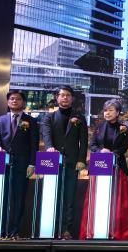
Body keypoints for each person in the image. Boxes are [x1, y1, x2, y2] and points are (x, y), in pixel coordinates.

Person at [80, 99, 128, 240]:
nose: (107, 113)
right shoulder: (99, 127)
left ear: (117, 112)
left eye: (110, 110)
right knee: (97, 200)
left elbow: (123, 148)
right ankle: (94, 231)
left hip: (117, 169)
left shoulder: (123, 128)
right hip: (99, 168)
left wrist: (111, 154)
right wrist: (100, 150)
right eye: (105, 110)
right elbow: (92, 145)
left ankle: (115, 232)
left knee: (116, 202)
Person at [0, 90, 39, 239]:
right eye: (11, 99)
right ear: (7, 102)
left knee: (19, 197)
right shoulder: (0, 119)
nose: (14, 101)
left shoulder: (31, 121)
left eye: (18, 99)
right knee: (2, 197)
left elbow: (34, 144)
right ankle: (1, 230)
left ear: (23, 103)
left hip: (22, 164)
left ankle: (14, 231)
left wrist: (32, 164)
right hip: (2, 163)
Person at [41, 85, 88, 240]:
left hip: (72, 162)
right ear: (57, 97)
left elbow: (84, 140)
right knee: (52, 195)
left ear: (72, 98)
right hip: (52, 161)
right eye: (62, 95)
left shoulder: (79, 117)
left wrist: (81, 160)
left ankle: (66, 229)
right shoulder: (49, 117)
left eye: (68, 95)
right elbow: (46, 135)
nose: (65, 97)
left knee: (69, 196)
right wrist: (49, 148)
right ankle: (50, 227)